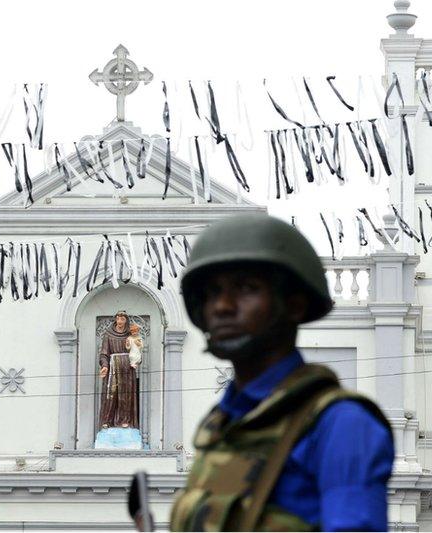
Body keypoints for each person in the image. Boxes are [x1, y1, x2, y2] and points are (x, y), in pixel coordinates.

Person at [169, 213, 394, 532]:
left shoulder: (340, 423)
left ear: (294, 305)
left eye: (246, 288)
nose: (222, 306)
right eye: (212, 292)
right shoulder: (222, 425)